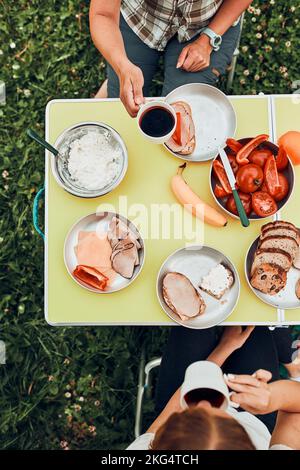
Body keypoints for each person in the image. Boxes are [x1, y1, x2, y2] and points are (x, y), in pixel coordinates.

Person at [127, 326, 300, 450]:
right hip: (257, 418)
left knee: (192, 322)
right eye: (223, 419)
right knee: (257, 326)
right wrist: (271, 399)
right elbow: (295, 410)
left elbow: (172, 410)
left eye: (191, 415)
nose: (204, 403)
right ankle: (294, 364)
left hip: (175, 404)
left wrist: (224, 348)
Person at [89, 0, 253, 116]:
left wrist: (209, 39)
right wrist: (122, 65)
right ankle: (115, 77)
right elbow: (103, 13)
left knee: (178, 115)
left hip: (207, 23)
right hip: (140, 20)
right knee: (121, 110)